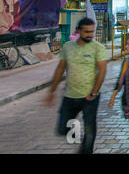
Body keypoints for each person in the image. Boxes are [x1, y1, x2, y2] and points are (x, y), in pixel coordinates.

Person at [44, 18, 107, 154]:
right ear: (78, 31)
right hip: (70, 95)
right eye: (86, 32)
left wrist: (94, 92)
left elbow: (102, 71)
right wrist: (51, 91)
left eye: (92, 31)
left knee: (90, 130)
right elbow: (60, 69)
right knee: (62, 128)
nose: (90, 35)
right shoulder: (68, 47)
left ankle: (85, 150)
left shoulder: (98, 48)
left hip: (90, 97)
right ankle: (80, 140)